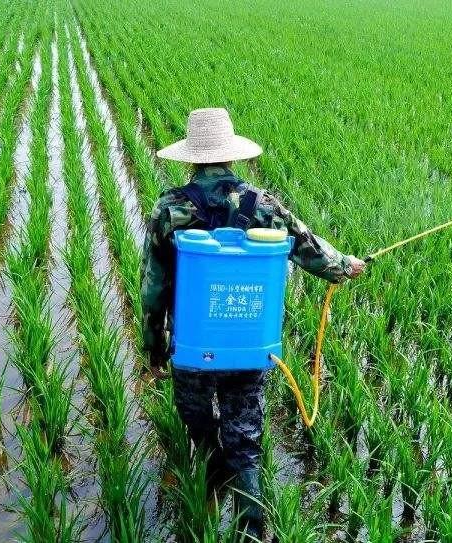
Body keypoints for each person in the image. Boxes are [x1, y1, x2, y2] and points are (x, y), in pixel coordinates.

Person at [141, 107, 366, 539]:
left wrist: (154, 343)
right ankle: (251, 526)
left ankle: (209, 475)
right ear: (232, 157)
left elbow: (153, 285)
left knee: (197, 421)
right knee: (245, 436)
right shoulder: (261, 203)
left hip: (192, 346)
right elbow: (309, 249)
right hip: (248, 342)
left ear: (192, 158)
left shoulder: (170, 207)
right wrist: (346, 267)